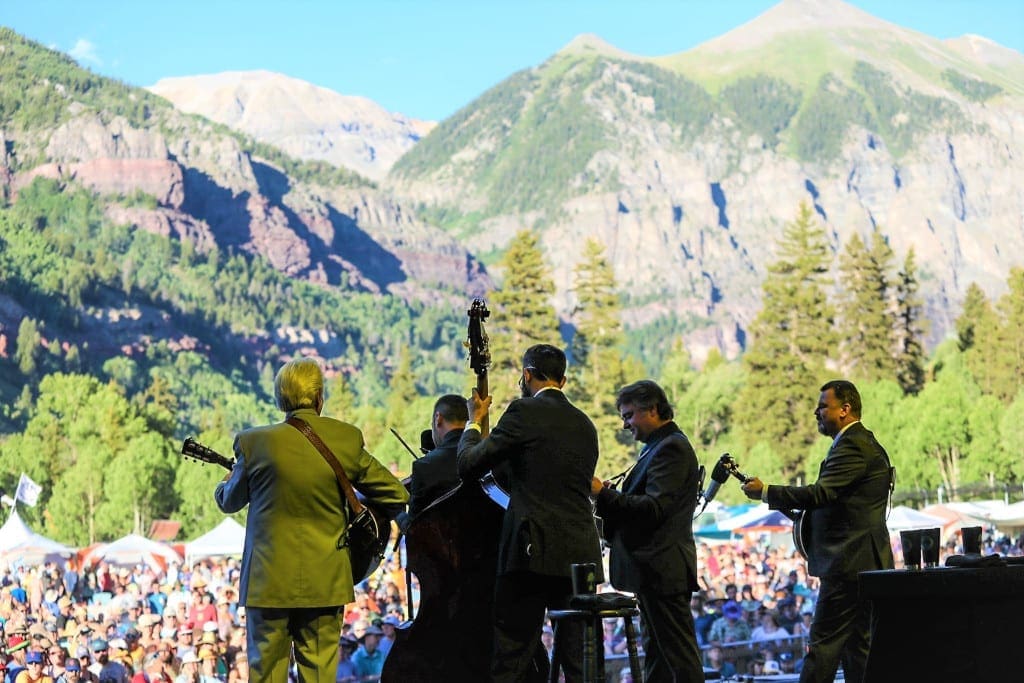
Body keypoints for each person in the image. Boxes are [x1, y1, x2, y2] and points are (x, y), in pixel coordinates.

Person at [215, 357, 409, 683]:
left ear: (281, 398)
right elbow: (395, 494)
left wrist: (229, 477)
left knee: (266, 676)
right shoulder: (345, 438)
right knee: (319, 676)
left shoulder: (253, 442)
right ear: (319, 397)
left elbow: (228, 501)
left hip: (268, 583)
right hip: (325, 580)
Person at [457, 343, 604, 682]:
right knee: (578, 659)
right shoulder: (585, 425)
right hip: (580, 553)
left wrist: (473, 423)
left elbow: (468, 465)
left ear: (526, 375)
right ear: (563, 381)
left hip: (530, 551)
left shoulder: (523, 413)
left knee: (513, 653)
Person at [741, 379, 894, 683]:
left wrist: (767, 491)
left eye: (824, 405)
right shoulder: (861, 443)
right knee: (857, 648)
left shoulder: (853, 444)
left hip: (848, 564)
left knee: (822, 646)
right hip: (863, 563)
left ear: (845, 409)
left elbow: (821, 493)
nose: (816, 411)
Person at [591, 379, 705, 683]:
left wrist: (604, 494)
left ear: (653, 409)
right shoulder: (659, 447)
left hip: (662, 569)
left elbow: (653, 509)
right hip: (654, 571)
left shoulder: (671, 449)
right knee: (659, 656)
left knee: (679, 657)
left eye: (629, 415)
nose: (626, 424)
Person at [396, 393, 467, 529]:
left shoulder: (424, 466)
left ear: (438, 418)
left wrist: (396, 513)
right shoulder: (487, 454)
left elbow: (413, 529)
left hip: (443, 548)